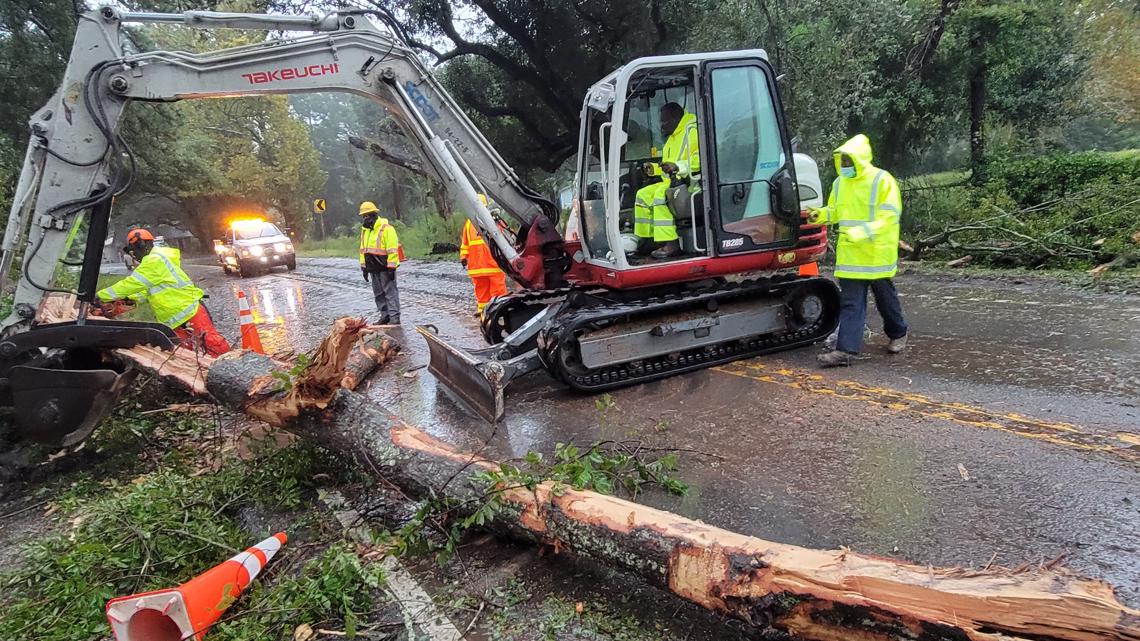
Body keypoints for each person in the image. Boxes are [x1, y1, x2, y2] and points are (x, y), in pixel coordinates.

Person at [809, 134, 909, 367]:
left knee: (886, 300)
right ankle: (845, 351)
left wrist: (861, 232)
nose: (844, 166)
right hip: (851, 256)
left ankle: (898, 332)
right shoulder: (839, 183)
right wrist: (821, 215)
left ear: (860, 159)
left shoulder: (882, 181)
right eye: (841, 162)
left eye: (847, 161)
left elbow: (889, 217)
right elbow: (836, 210)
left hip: (876, 255)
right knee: (851, 303)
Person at [97, 228, 231, 356]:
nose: (134, 255)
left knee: (213, 345)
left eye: (133, 251)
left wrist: (100, 296)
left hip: (189, 312)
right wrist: (120, 303)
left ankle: (232, 369)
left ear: (140, 245)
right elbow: (144, 294)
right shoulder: (156, 261)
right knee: (189, 355)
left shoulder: (154, 261)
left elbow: (132, 284)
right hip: (176, 320)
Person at [633, 102, 700, 259]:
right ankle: (649, 240)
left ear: (677, 118)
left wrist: (678, 166)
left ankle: (671, 242)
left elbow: (702, 160)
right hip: (673, 182)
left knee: (659, 196)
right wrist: (655, 169)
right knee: (642, 195)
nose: (661, 125)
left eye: (665, 121)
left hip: (691, 183)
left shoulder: (693, 131)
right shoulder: (672, 138)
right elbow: (667, 167)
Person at [459, 195, 509, 318]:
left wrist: (463, 257)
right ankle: (499, 313)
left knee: (482, 293)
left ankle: (484, 314)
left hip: (477, 267)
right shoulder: (494, 221)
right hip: (493, 265)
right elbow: (507, 239)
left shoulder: (469, 223)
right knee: (498, 292)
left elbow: (464, 244)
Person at [358, 201, 403, 325]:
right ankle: (385, 315)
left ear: (374, 215)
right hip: (373, 267)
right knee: (378, 294)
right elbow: (363, 250)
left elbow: (392, 249)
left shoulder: (386, 229)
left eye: (368, 215)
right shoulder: (365, 231)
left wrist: (391, 268)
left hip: (385, 267)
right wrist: (364, 268)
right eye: (364, 216)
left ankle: (394, 317)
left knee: (390, 292)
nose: (366, 218)